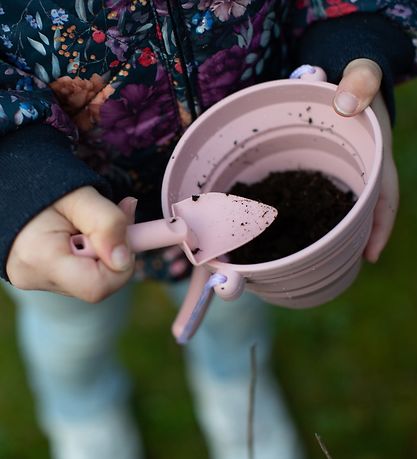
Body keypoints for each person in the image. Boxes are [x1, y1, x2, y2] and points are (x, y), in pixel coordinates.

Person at [0, 1, 416, 458]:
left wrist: (353, 43)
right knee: (72, 333)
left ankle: (236, 386)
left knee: (232, 314)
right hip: (60, 213)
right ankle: (82, 410)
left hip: (244, 164)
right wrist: (18, 181)